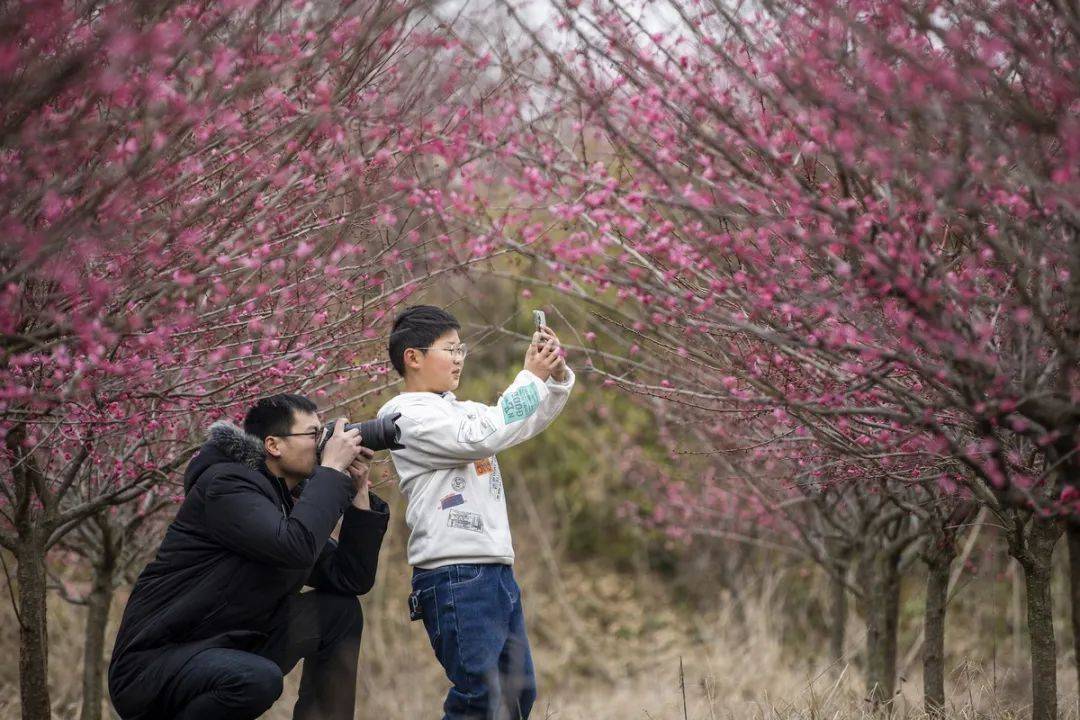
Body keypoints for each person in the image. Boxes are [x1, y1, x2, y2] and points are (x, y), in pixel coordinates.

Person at [108, 394, 389, 720]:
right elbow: (294, 546)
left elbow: (350, 576)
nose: (323, 443)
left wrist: (358, 492)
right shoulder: (227, 486)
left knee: (338, 612)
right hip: (158, 664)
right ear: (273, 445)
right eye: (313, 434)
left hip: (233, 648)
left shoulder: (283, 505)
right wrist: (330, 471)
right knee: (255, 679)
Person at [377, 305, 575, 720]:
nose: (459, 358)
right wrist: (530, 378)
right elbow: (479, 438)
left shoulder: (459, 409)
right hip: (455, 573)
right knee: (479, 696)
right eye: (449, 349)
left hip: (495, 570)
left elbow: (513, 423)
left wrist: (553, 381)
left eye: (460, 348)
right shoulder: (403, 415)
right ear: (413, 357)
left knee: (517, 694)